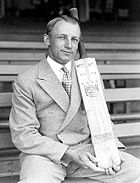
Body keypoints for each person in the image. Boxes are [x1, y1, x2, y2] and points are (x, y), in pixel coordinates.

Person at [9, 15, 140, 183]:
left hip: (88, 152)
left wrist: (109, 150)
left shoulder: (89, 74)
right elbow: (24, 134)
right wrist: (68, 153)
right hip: (46, 155)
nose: (69, 45)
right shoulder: (26, 79)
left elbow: (102, 118)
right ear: (47, 40)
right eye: (62, 38)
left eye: (74, 39)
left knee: (136, 170)